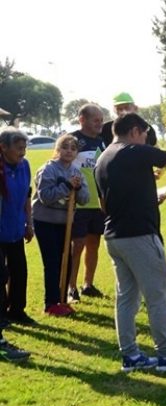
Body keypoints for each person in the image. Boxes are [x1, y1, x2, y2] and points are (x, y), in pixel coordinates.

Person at [94, 113, 166, 372]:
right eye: (144, 134)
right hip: (139, 235)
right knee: (158, 294)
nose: (146, 139)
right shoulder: (135, 151)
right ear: (134, 131)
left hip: (115, 235)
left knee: (127, 297)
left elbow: (104, 204)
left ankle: (130, 355)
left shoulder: (104, 158)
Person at [32, 135, 89, 316]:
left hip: (65, 223)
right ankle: (51, 303)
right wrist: (66, 185)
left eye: (73, 148)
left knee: (67, 261)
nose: (69, 151)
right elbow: (46, 197)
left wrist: (78, 188)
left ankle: (62, 300)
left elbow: (85, 199)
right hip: (46, 221)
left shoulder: (76, 172)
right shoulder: (48, 170)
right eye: (65, 147)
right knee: (52, 262)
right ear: (57, 149)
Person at [69, 103, 108, 302]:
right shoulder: (73, 140)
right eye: (96, 120)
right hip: (79, 203)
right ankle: (71, 287)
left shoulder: (102, 142)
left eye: (101, 120)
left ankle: (88, 284)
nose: (99, 124)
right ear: (82, 119)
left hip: (97, 203)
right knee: (78, 246)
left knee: (94, 244)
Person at [0, 124, 36, 325]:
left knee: (19, 272)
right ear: (3, 147)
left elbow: (26, 197)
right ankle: (2, 313)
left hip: (15, 228)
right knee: (0, 275)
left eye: (24, 148)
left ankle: (17, 310)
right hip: (0, 229)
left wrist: (29, 224)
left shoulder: (25, 166)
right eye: (18, 148)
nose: (22, 153)